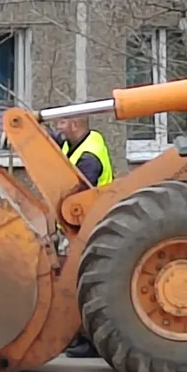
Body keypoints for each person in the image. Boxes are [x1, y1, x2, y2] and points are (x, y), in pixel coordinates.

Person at [51, 114, 112, 359]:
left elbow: (80, 197)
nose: (58, 128)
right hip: (77, 228)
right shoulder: (75, 142)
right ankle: (79, 335)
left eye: (62, 123)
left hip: (90, 226)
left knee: (84, 283)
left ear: (74, 125)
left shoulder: (90, 158)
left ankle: (91, 340)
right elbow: (54, 142)